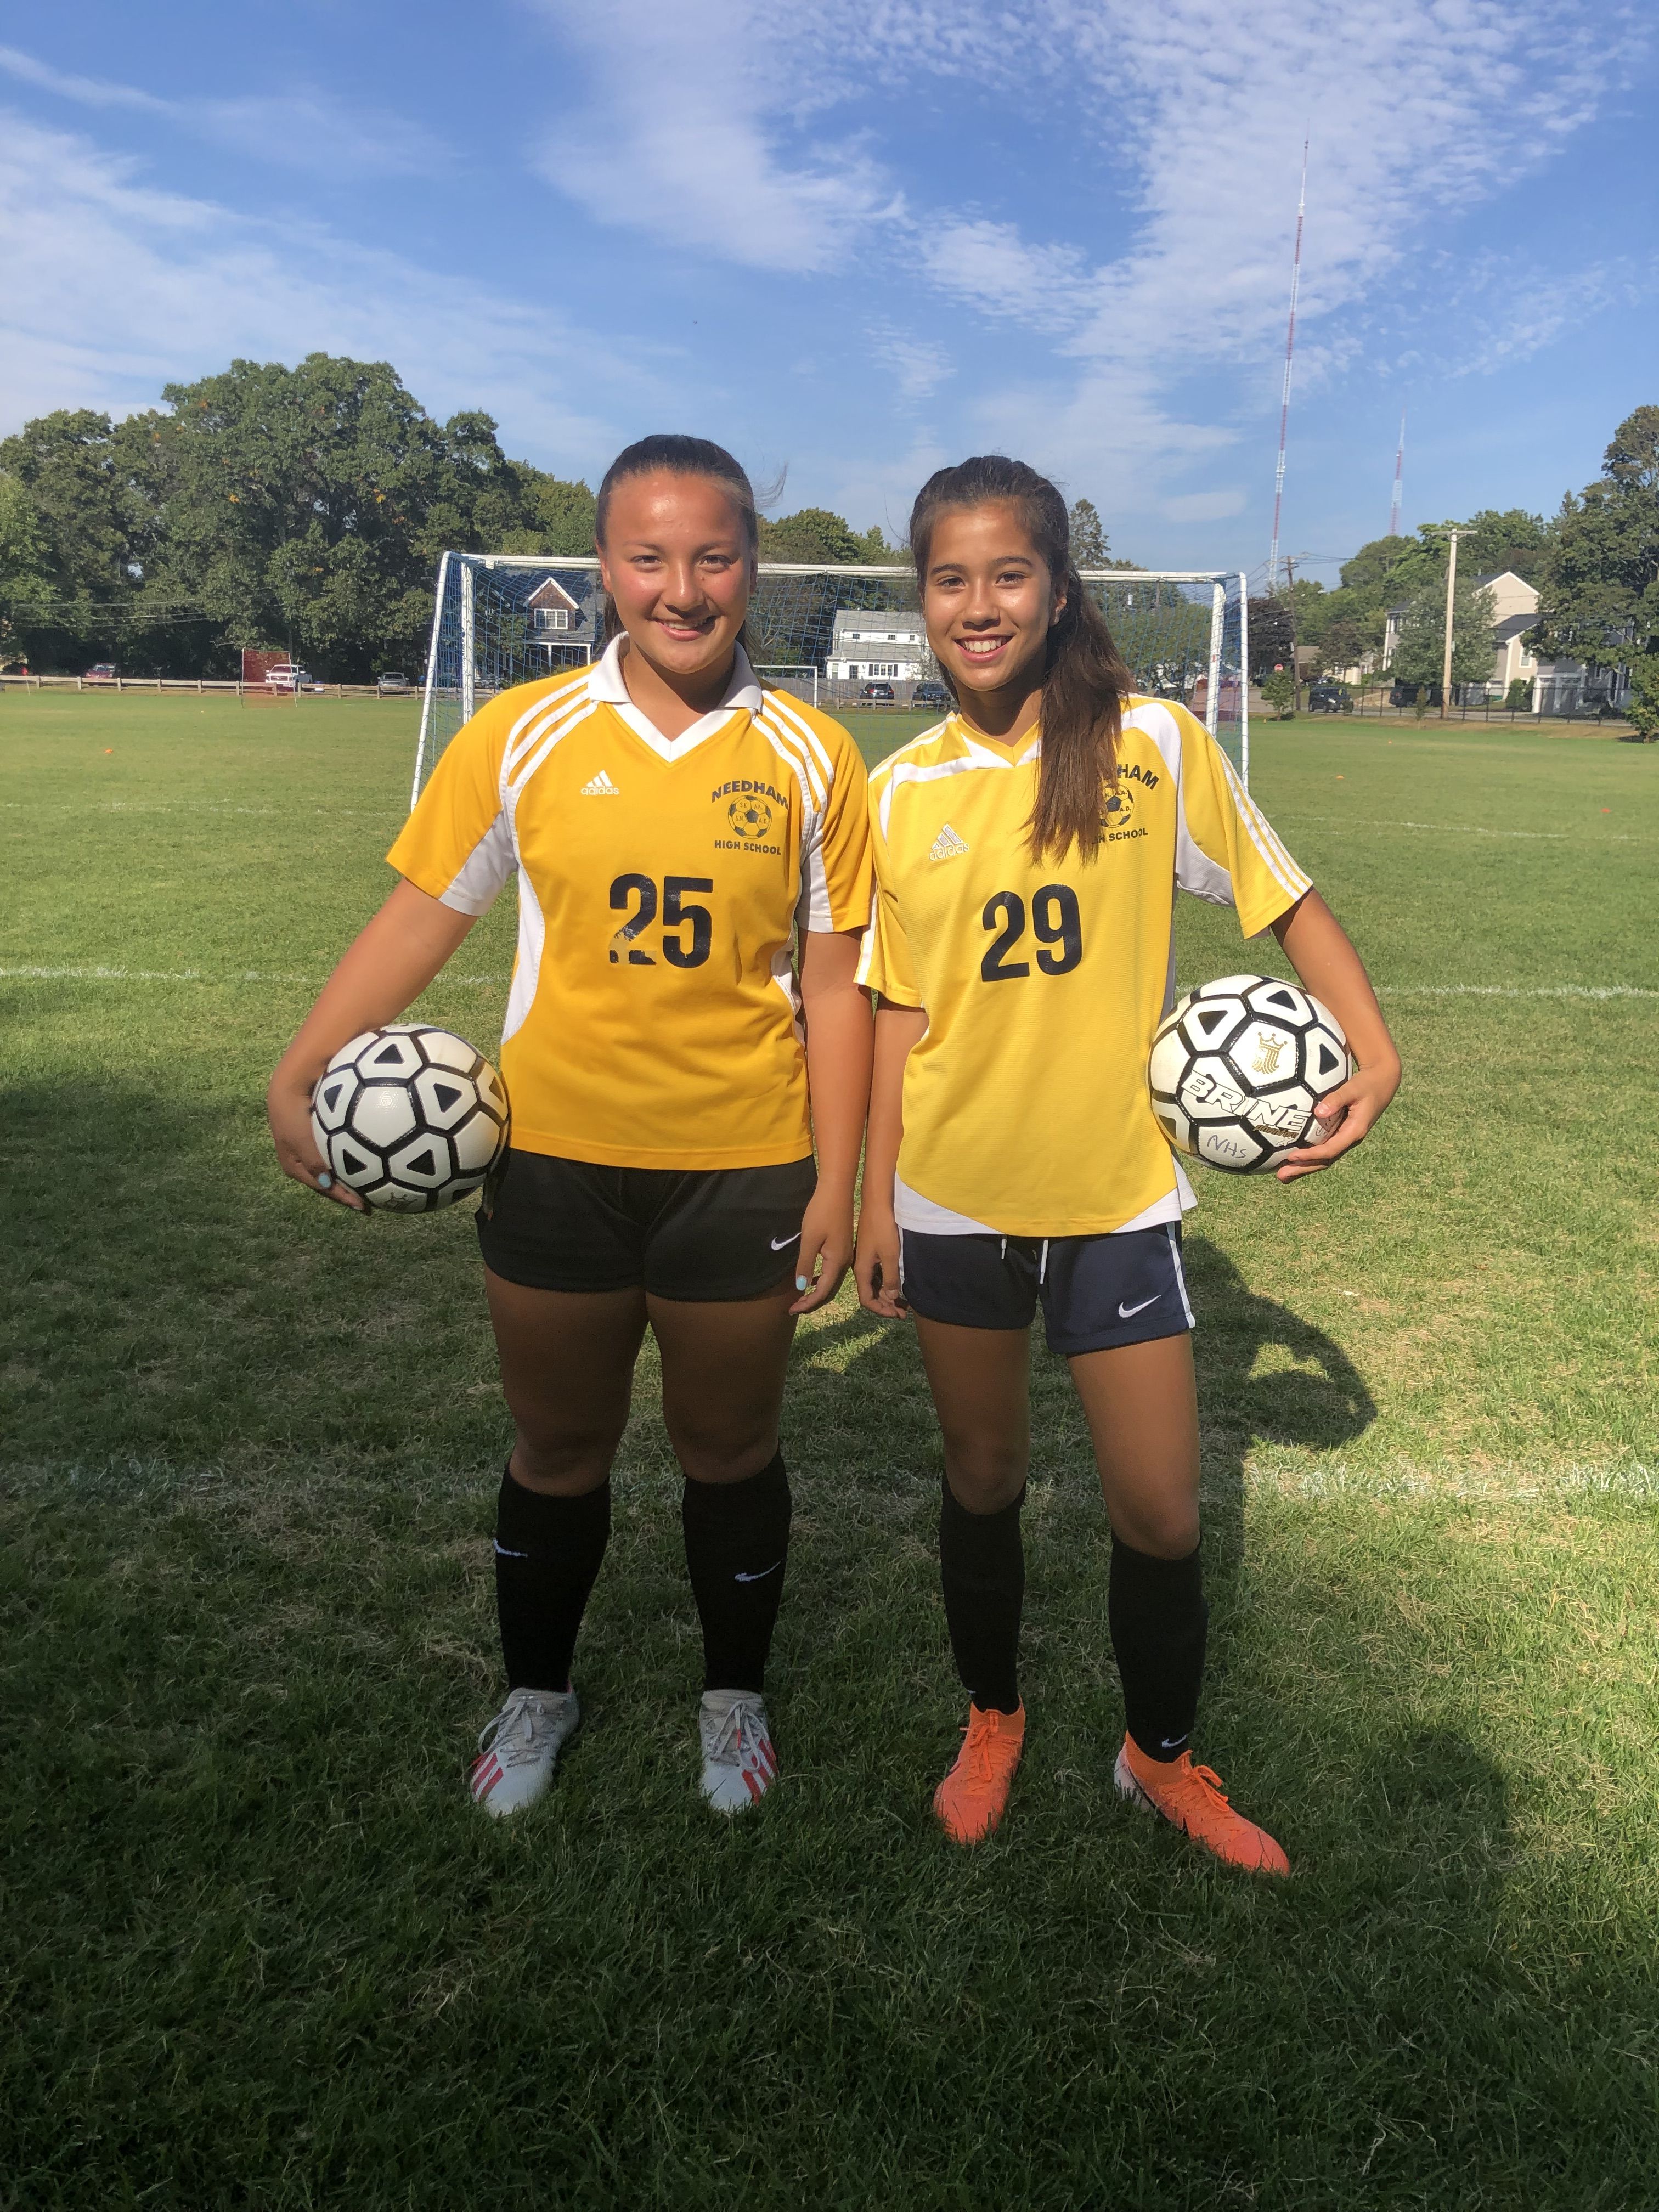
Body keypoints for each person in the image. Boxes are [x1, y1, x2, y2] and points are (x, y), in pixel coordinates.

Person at [268, 436, 873, 1818]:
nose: (680, 587)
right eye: (647, 557)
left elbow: (838, 983)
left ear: (751, 571)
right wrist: (302, 1063)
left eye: (712, 557)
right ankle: (538, 1690)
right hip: (552, 1163)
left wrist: (839, 1180)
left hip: (742, 1166)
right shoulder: (523, 732)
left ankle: (734, 1702)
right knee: (558, 1451)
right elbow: (426, 908)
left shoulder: (810, 752)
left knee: (729, 1454)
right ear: (601, 569)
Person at [853, 456, 1399, 1872]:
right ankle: (993, 1715)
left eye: (1008, 574)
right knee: (983, 1482)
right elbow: (895, 1010)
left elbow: (1284, 897)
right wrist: (869, 1194)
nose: (978, 605)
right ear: (923, 599)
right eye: (950, 579)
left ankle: (1159, 1756)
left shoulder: (1152, 743)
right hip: (954, 1192)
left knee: (1159, 1508)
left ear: (1057, 589)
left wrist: (1373, 1050)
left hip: (1115, 1201)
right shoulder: (898, 790)